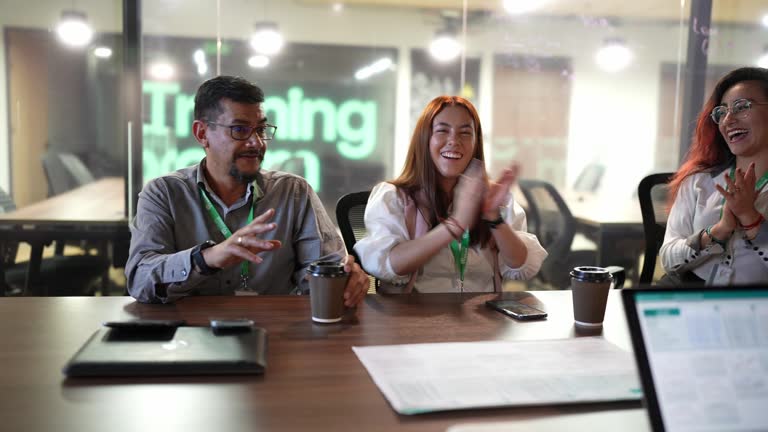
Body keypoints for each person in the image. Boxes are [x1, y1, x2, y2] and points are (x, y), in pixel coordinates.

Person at [126, 75, 369, 303]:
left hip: (273, 333)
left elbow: (322, 270)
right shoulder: (164, 193)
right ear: (202, 134)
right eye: (240, 129)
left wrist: (345, 280)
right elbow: (139, 280)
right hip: (189, 335)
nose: (257, 143)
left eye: (261, 129)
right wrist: (209, 258)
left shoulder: (293, 192)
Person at [354, 96, 547, 293]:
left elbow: (520, 266)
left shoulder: (497, 199)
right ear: (425, 139)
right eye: (442, 131)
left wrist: (492, 217)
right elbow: (389, 265)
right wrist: (454, 225)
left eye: (465, 133)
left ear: (475, 143)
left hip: (482, 318)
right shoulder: (394, 197)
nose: (454, 141)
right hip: (414, 318)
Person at [661, 67, 768, 285]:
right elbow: (668, 260)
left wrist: (750, 218)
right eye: (722, 112)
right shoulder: (698, 181)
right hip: (692, 302)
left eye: (742, 107)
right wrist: (717, 232)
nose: (728, 120)